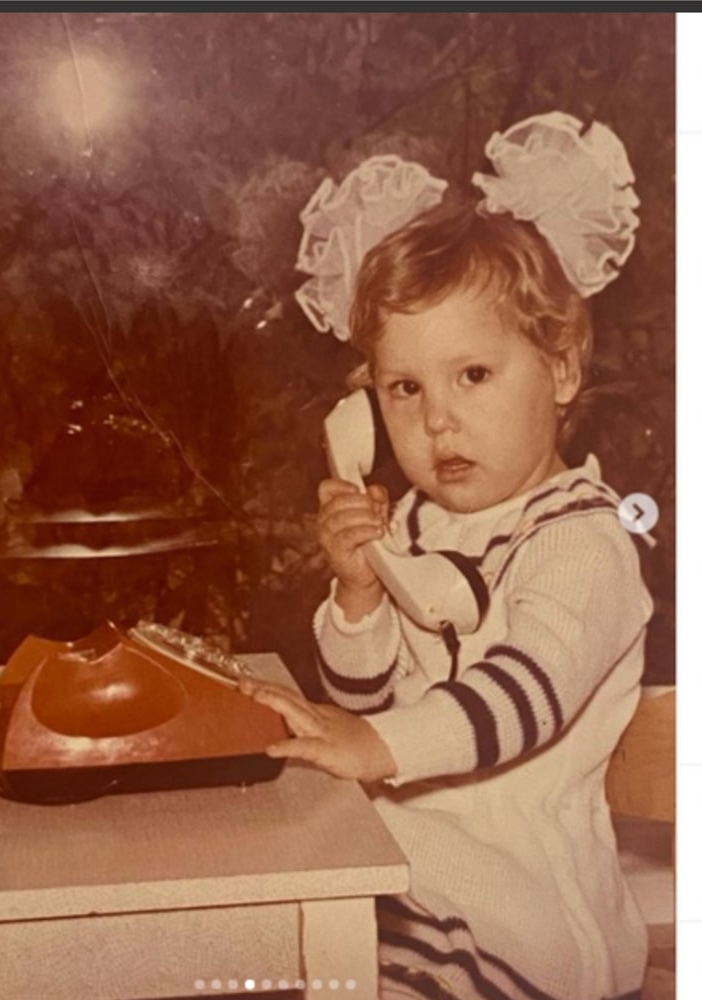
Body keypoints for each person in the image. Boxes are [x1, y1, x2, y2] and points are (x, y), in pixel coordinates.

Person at [241, 113, 654, 1000]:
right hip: (409, 884)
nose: (436, 420)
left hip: (522, 928)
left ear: (561, 370)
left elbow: (521, 697)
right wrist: (359, 595)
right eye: (404, 388)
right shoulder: (418, 523)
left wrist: (374, 745)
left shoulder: (582, 542)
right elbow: (364, 704)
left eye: (472, 375)